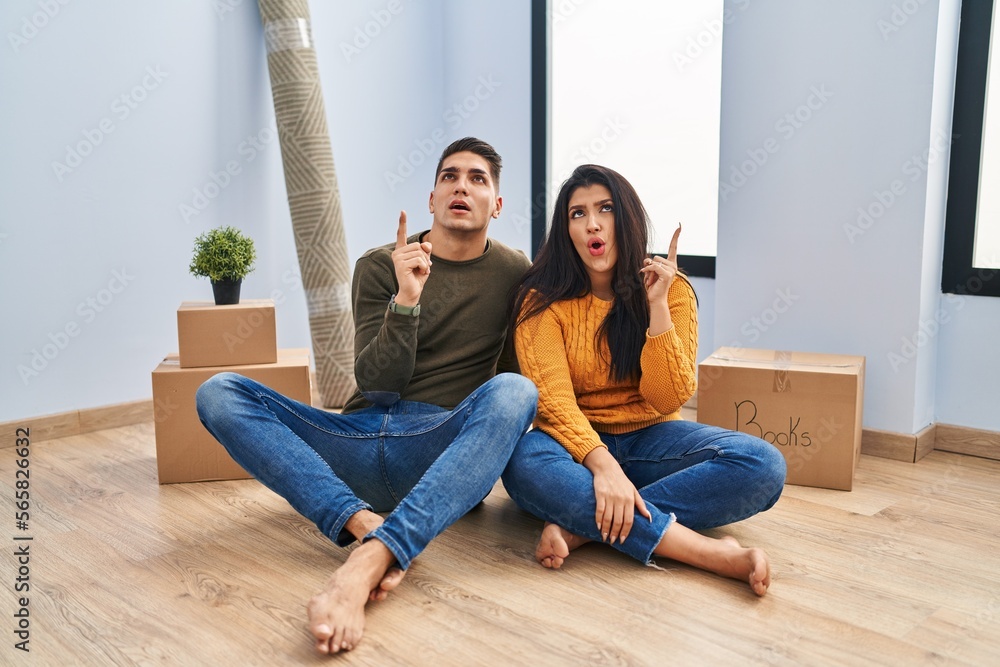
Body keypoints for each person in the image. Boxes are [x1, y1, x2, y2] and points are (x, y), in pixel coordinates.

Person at [196, 137, 536, 654]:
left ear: (498, 204)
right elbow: (379, 385)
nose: (461, 187)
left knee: (517, 390)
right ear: (432, 198)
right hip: (351, 438)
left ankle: (371, 556)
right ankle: (362, 522)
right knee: (218, 391)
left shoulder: (515, 273)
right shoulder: (381, 265)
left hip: (435, 444)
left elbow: (508, 381)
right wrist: (406, 299)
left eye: (477, 178)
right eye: (449, 177)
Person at [501, 164, 786, 596]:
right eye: (577, 214)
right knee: (522, 463)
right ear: (566, 230)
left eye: (605, 208)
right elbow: (554, 404)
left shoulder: (670, 289)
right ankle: (707, 553)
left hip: (653, 437)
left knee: (762, 465)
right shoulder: (540, 301)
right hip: (573, 443)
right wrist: (604, 466)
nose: (592, 223)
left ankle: (584, 529)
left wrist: (657, 309)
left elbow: (668, 394)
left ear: (627, 218)